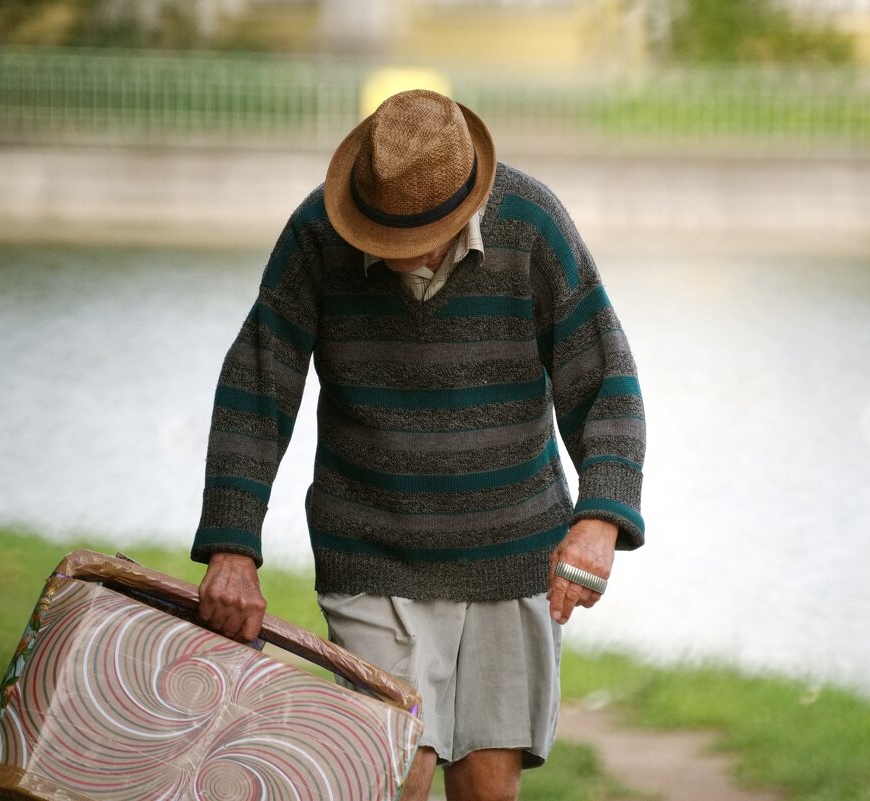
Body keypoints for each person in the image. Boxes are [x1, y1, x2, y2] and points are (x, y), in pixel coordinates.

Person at [191, 89, 645, 801]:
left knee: (487, 788)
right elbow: (257, 385)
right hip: (373, 552)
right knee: (397, 772)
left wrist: (600, 516)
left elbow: (604, 375)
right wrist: (231, 546)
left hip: (511, 548)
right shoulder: (318, 232)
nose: (404, 254)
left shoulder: (533, 223)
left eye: (421, 236)